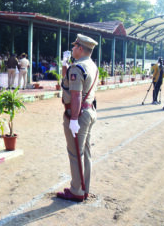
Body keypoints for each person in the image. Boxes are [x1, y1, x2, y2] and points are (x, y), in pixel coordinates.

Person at [57, 34, 98, 202]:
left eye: (74, 47)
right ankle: (84, 188)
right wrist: (65, 67)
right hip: (89, 111)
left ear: (80, 48)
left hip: (78, 114)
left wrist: (73, 119)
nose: (72, 49)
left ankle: (76, 191)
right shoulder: (91, 65)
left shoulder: (78, 67)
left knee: (75, 153)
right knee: (85, 152)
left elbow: (75, 95)